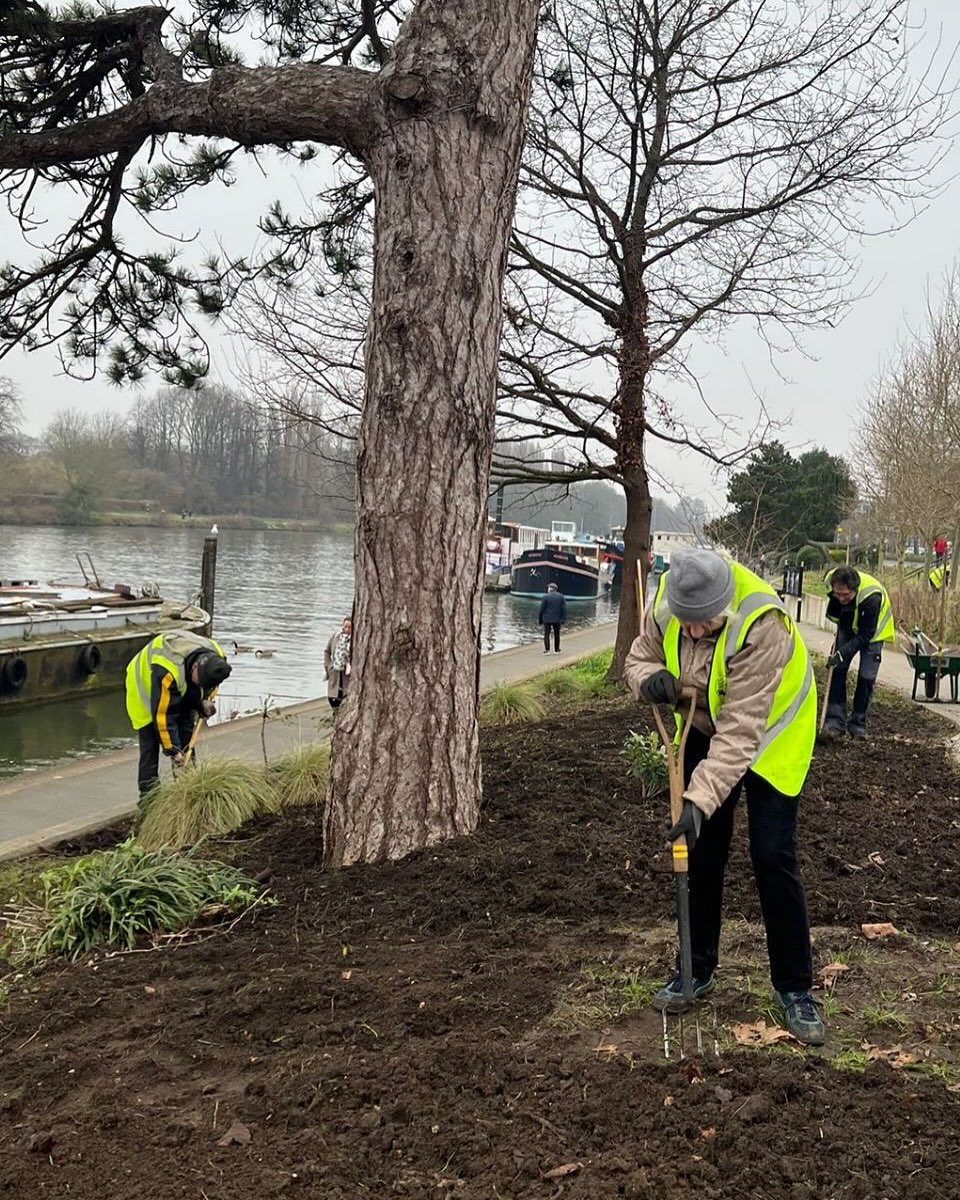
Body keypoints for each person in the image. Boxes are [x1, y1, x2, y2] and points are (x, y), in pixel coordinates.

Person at [624, 548, 823, 1045]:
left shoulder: (762, 623)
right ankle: (695, 968)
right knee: (703, 851)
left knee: (772, 854)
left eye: (702, 626)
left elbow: (740, 735)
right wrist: (647, 680)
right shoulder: (671, 600)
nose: (691, 633)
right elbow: (638, 656)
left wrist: (698, 800)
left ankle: (795, 988)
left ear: (724, 607)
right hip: (704, 722)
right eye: (686, 624)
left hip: (773, 734)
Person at [125, 631, 232, 804]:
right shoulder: (168, 669)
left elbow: (213, 685)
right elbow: (163, 716)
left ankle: (188, 791)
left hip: (179, 684)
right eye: (201, 682)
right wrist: (173, 750)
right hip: (143, 690)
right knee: (150, 746)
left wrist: (204, 701)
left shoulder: (217, 658)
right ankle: (148, 801)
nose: (202, 685)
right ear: (195, 667)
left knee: (187, 737)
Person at [823, 565, 895, 739]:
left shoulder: (872, 597)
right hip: (849, 624)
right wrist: (839, 654)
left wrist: (843, 652)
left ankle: (857, 725)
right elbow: (836, 609)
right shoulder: (832, 580)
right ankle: (834, 722)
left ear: (854, 590)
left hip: (873, 634)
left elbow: (865, 635)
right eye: (837, 594)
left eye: (845, 595)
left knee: (866, 678)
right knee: (837, 670)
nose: (840, 598)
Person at [325, 617, 352, 708]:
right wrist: (328, 666)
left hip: (347, 674)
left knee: (345, 701)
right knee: (333, 701)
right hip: (334, 672)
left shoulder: (355, 640)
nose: (347, 629)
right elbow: (327, 651)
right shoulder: (335, 637)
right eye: (346, 627)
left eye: (350, 627)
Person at [538, 582, 566, 653]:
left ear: (550, 589)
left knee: (546, 634)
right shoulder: (561, 597)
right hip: (557, 619)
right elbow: (563, 609)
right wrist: (563, 619)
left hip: (547, 619)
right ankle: (557, 650)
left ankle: (547, 650)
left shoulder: (545, 597)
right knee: (557, 634)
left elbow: (542, 609)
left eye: (548, 588)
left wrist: (540, 619)